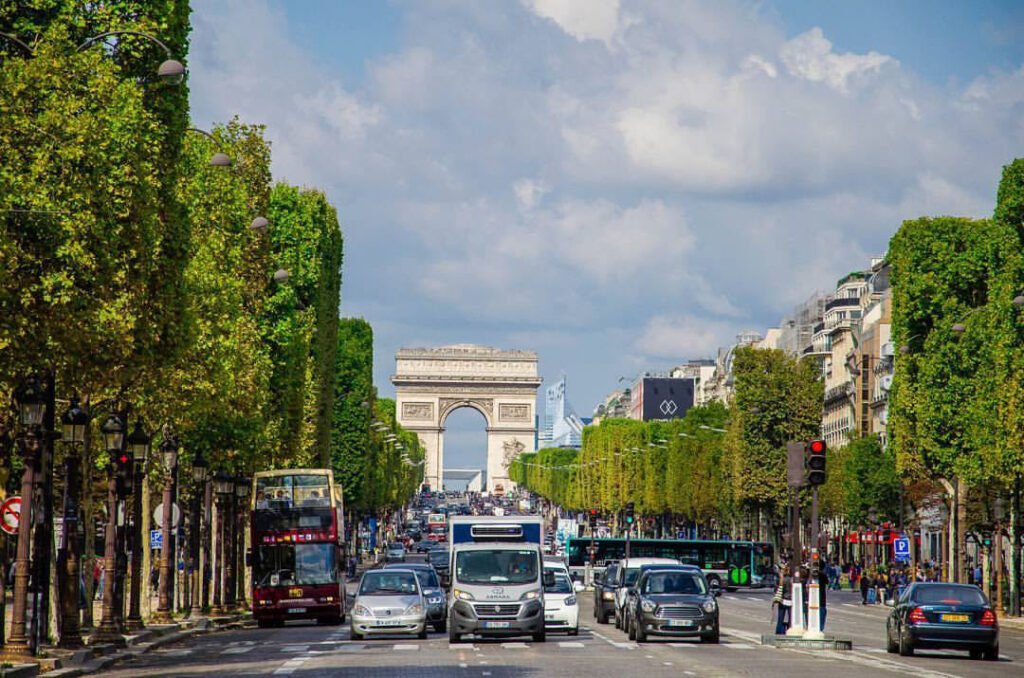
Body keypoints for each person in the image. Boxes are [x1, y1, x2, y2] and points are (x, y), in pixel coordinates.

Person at [772, 564, 792, 635]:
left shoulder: (780, 580)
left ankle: (779, 631)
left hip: (782, 600)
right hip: (790, 601)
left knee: (780, 618)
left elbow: (776, 590)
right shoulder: (792, 580)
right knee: (791, 618)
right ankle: (790, 630)